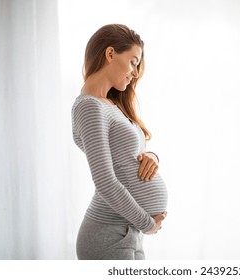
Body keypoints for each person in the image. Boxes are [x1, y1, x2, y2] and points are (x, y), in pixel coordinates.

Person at [71, 24, 168, 260]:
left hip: (128, 232)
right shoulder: (89, 106)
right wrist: (147, 223)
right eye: (133, 61)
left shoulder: (111, 104)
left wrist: (152, 157)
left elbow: (131, 153)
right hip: (108, 235)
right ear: (111, 53)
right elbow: (104, 180)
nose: (135, 72)